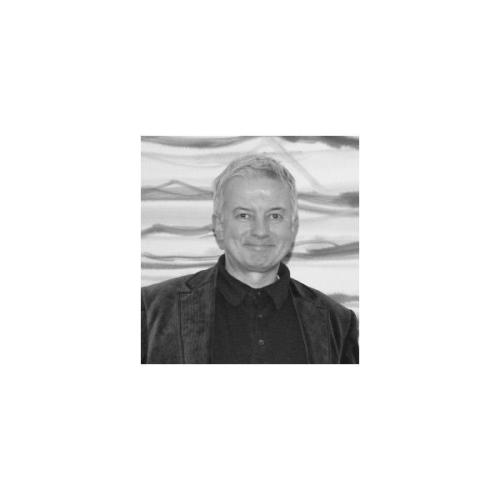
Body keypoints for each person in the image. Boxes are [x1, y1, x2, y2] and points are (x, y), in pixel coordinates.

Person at [141, 154, 359, 364]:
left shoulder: (337, 323)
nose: (260, 231)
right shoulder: (150, 311)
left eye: (275, 216)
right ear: (219, 226)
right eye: (244, 215)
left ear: (293, 226)